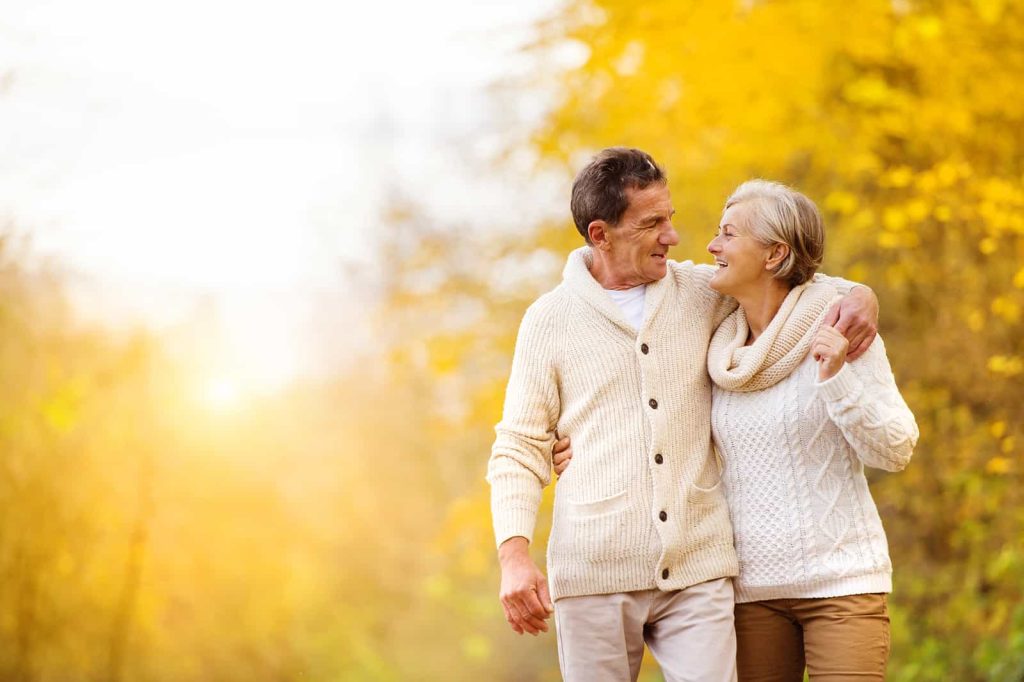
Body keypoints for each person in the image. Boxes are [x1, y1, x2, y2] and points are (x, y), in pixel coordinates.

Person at [488, 148, 879, 682]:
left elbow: (794, 287)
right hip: (593, 570)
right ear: (600, 235)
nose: (672, 236)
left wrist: (862, 295)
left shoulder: (702, 291)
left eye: (668, 217)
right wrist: (514, 554)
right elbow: (519, 445)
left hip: (700, 570)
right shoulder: (549, 320)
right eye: (652, 223)